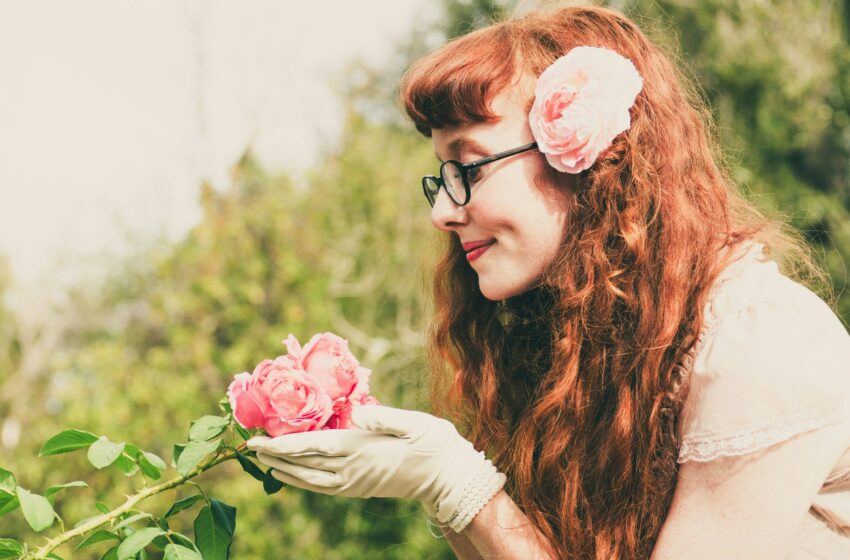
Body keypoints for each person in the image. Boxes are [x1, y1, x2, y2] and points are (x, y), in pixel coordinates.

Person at [247, 3, 850, 558]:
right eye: (441, 175)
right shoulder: (583, 350)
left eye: (469, 166)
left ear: (591, 160)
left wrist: (460, 486)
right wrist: (441, 492)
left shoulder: (761, 345)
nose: (443, 213)